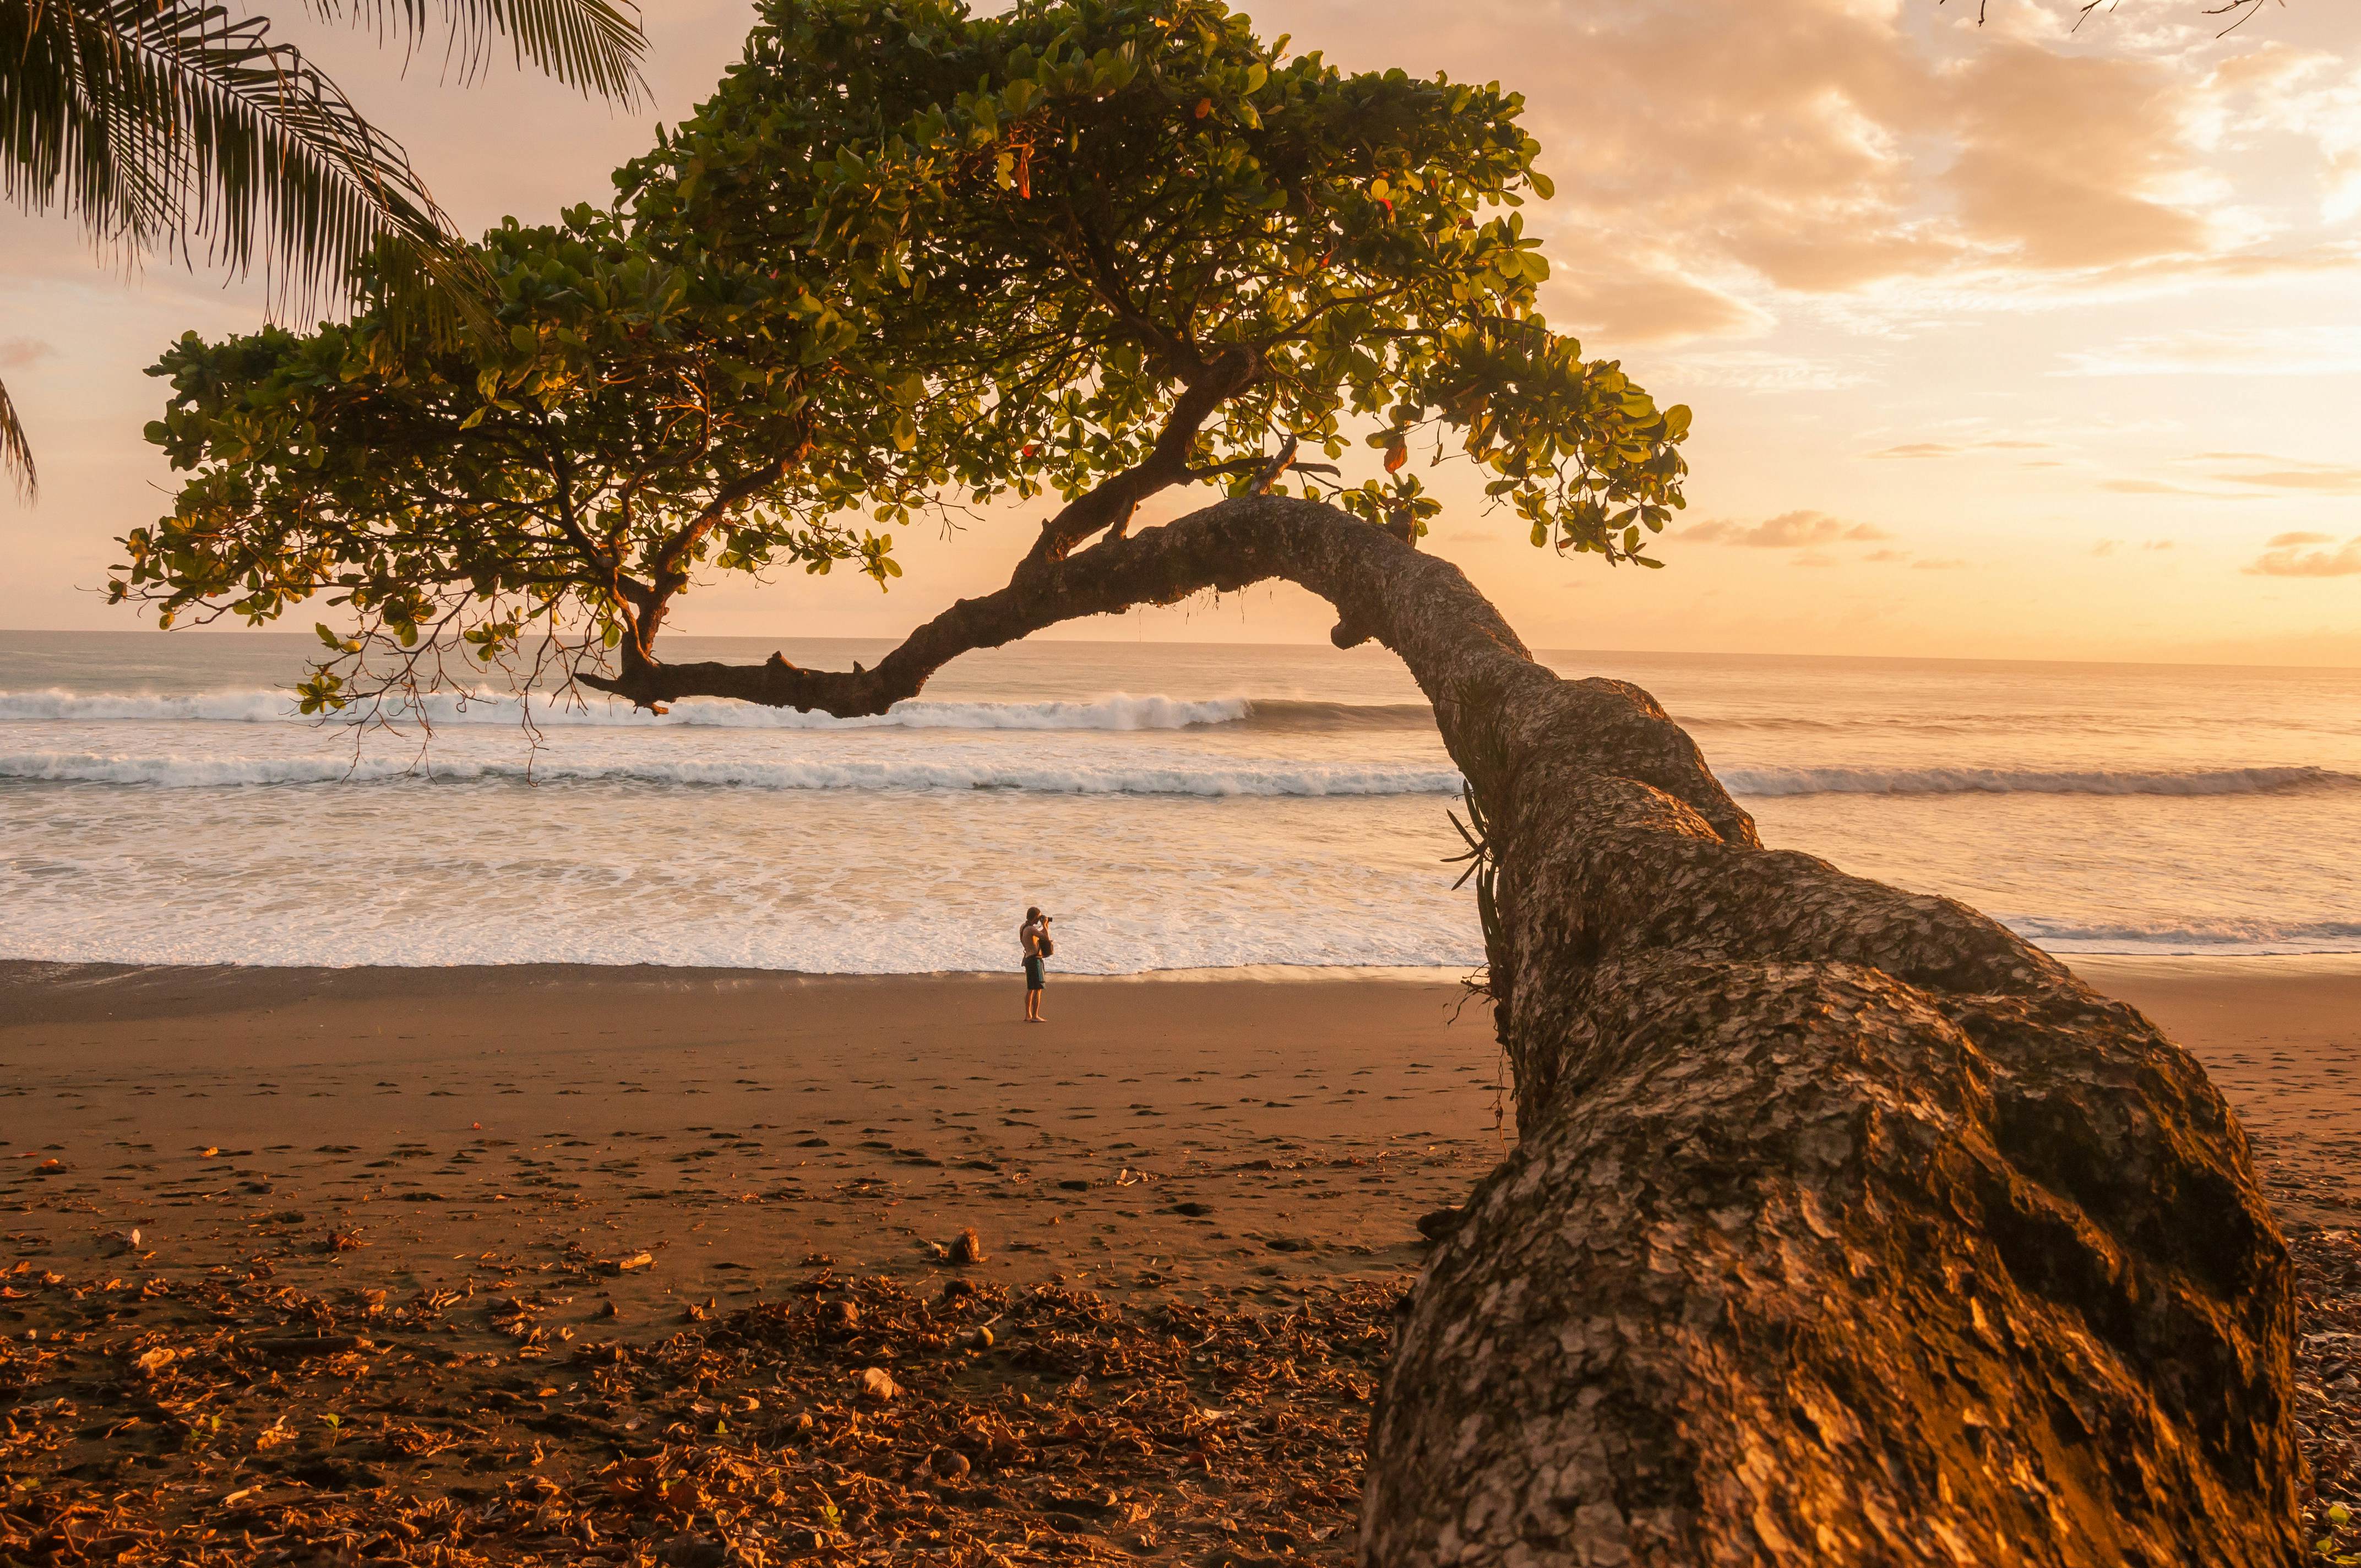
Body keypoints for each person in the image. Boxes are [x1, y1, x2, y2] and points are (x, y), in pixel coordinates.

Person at [1020, 906, 1051, 1022]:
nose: (1040, 919)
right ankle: (1035, 1016)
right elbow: (1047, 938)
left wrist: (1045, 926)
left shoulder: (1024, 928)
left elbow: (1038, 935)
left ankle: (1028, 1015)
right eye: (1039, 917)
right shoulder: (1031, 930)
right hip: (1035, 960)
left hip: (1028, 959)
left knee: (1031, 989)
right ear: (1035, 917)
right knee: (1038, 989)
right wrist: (1045, 924)